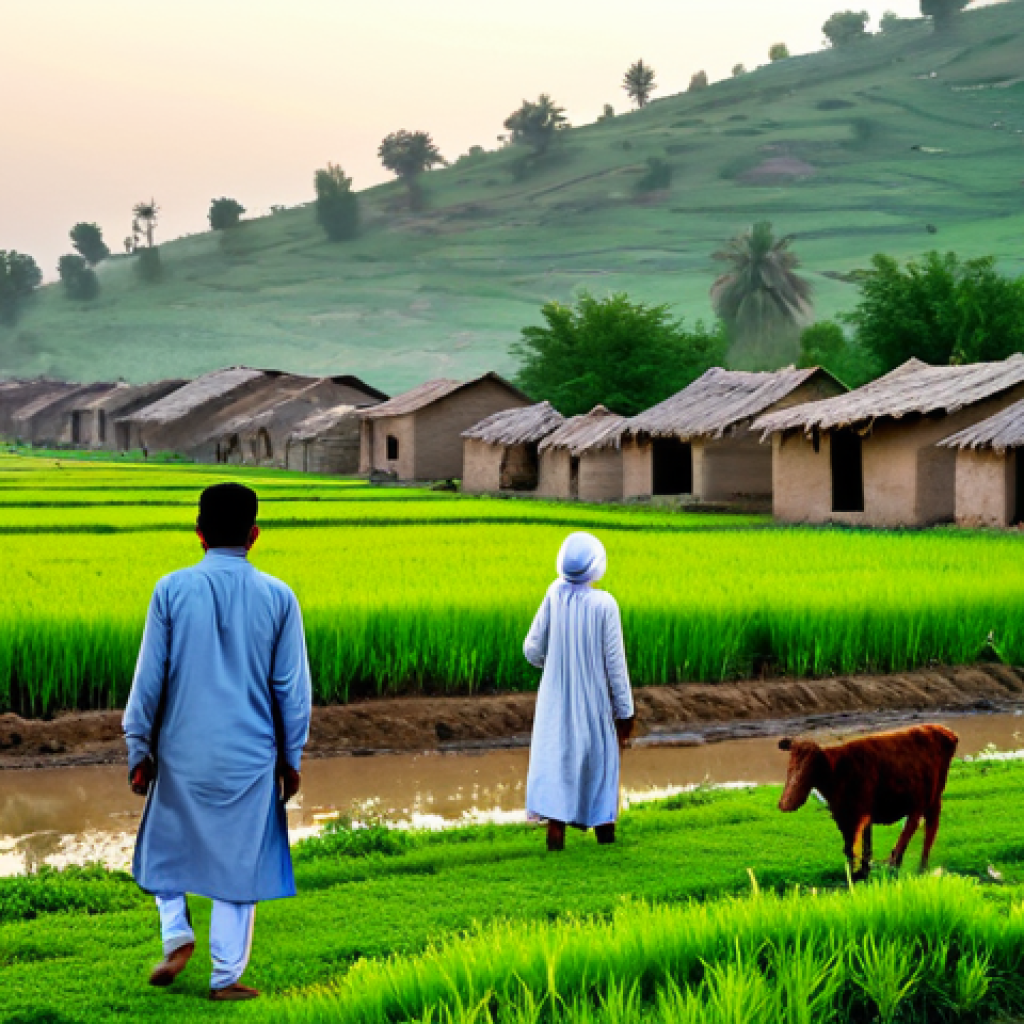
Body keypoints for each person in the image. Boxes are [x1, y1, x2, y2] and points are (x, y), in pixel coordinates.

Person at [123, 482, 312, 1001]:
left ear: (199, 533)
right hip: (251, 753)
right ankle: (226, 977)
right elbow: (291, 692)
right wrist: (291, 760)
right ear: (254, 534)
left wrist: (139, 747)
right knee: (240, 860)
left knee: (164, 842)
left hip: (181, 750)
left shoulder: (170, 589)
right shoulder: (279, 596)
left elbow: (149, 680)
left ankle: (176, 934)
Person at [524, 532, 635, 851]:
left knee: (558, 763)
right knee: (599, 764)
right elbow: (616, 666)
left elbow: (531, 649)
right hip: (593, 701)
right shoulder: (605, 604)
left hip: (554, 701)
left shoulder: (554, 593)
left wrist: (556, 664)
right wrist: (625, 711)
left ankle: (555, 837)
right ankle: (605, 835)